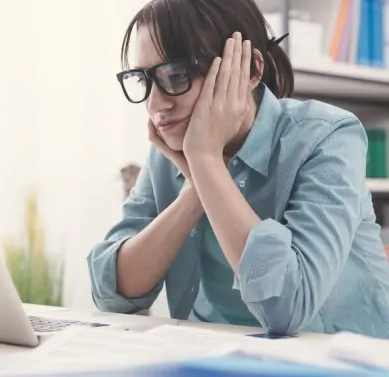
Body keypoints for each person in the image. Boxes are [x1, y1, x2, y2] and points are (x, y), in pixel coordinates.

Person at [87, 0, 389, 338]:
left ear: (250, 71)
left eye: (177, 75)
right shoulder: (171, 153)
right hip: (217, 360)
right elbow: (112, 292)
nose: (155, 104)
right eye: (143, 80)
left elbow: (287, 307)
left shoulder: (327, 137)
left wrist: (205, 161)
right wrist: (197, 186)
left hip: (343, 364)